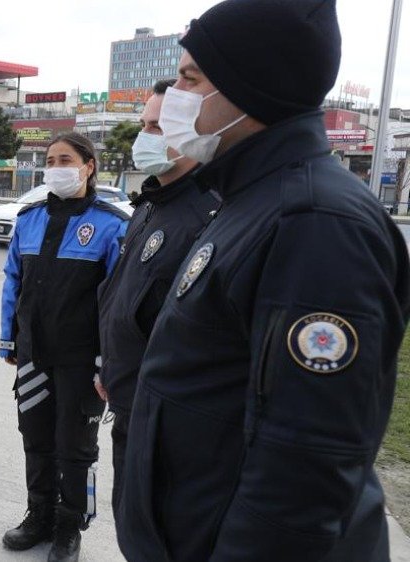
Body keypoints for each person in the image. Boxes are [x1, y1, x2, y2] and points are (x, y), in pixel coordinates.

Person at [117, 1, 410, 560]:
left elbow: (304, 464)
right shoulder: (249, 198)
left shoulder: (314, 222)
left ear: (250, 85)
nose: (175, 93)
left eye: (190, 77)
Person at [0, 132, 129, 562]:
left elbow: (117, 302)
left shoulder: (111, 224)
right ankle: (39, 516)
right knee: (35, 438)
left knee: (75, 447)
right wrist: (11, 339)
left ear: (88, 165)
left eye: (65, 159)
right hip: (35, 357)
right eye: (50, 159)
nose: (55, 166)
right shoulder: (30, 217)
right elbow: (13, 282)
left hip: (81, 361)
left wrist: (107, 362)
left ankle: (70, 528)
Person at [95, 78, 220, 521]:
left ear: (193, 132)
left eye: (158, 126)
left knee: (160, 528)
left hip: (167, 422)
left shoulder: (211, 214)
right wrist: (108, 366)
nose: (145, 137)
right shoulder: (150, 204)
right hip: (127, 403)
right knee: (130, 519)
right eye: (144, 124)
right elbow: (122, 297)